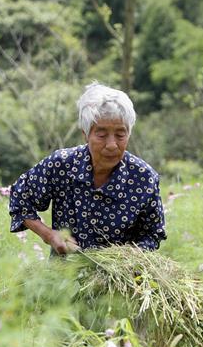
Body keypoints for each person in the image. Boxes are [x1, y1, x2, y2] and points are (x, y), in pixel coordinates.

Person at [9, 81, 166, 254]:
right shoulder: (62, 164)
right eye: (102, 134)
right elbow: (20, 197)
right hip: (63, 274)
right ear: (85, 134)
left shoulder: (143, 178)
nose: (112, 145)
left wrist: (129, 258)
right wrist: (49, 235)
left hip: (119, 276)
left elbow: (152, 233)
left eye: (120, 134)